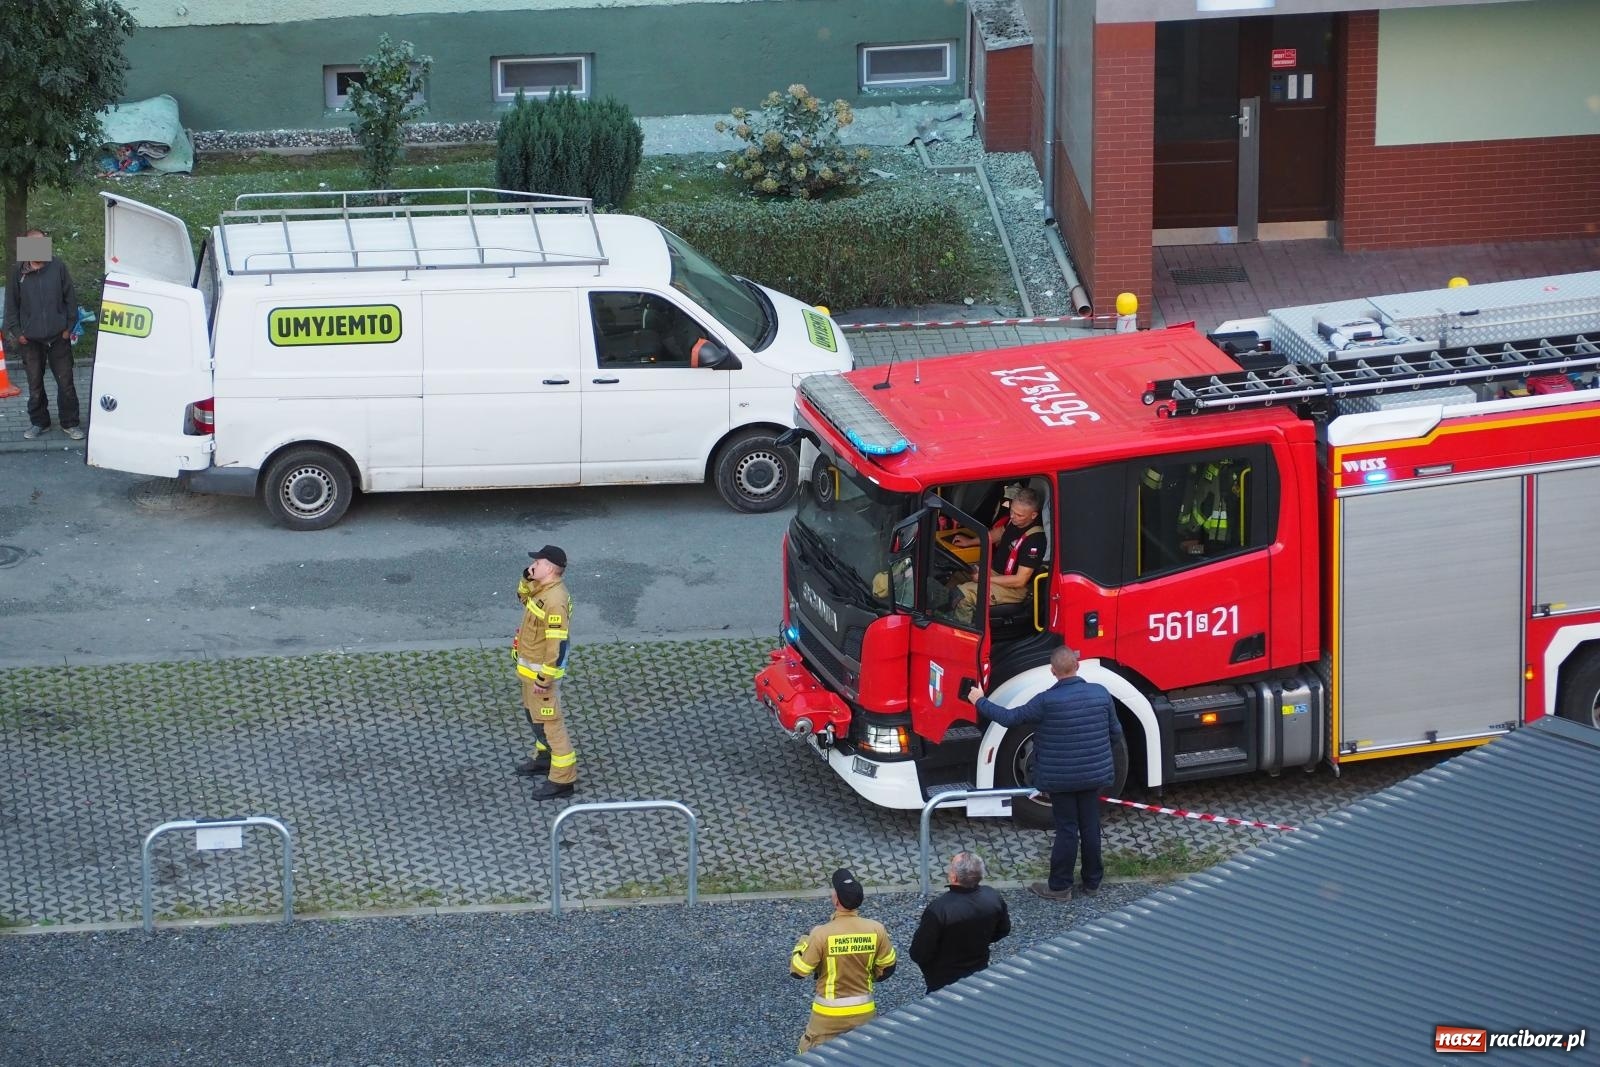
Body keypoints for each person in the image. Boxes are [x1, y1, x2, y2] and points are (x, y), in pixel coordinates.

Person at [965, 646, 1120, 902]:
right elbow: (1115, 733)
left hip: (1060, 781)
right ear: (1077, 666)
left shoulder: (1045, 701)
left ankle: (1060, 887)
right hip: (1094, 776)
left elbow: (1009, 718)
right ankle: (1092, 882)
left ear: (1053, 671)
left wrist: (979, 700)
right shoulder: (1101, 694)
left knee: (1067, 830)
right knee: (1091, 827)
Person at [789, 868, 897, 1053]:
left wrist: (804, 941)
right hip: (864, 1011)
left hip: (827, 1014)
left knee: (809, 1053)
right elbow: (888, 968)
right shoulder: (876, 929)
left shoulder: (821, 934)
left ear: (836, 900)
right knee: (863, 1055)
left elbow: (799, 971)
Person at [5, 229, 82, 441]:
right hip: (30, 341)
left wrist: (68, 327)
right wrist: (18, 333)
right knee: (35, 385)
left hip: (59, 337)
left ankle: (70, 423)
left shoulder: (58, 267)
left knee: (66, 383)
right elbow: (11, 306)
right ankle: (40, 422)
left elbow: (71, 299)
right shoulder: (18, 272)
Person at [513, 545, 576, 800]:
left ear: (549, 568)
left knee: (551, 725)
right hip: (531, 673)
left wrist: (545, 678)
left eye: (537, 562)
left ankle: (563, 780)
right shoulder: (543, 590)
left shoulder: (555, 600)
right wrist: (526, 577)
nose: (533, 565)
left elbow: (557, 645)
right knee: (534, 717)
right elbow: (523, 597)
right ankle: (544, 757)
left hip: (541, 677)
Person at [909, 850, 1011, 993]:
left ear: (954, 877)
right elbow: (1003, 929)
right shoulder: (992, 897)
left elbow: (919, 952)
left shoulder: (939, 909)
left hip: (943, 980)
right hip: (979, 971)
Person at [952, 487, 1046, 622]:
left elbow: (1020, 580)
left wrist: (984, 578)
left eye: (1019, 515)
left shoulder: (1035, 539)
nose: (1013, 516)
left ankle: (965, 635)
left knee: (963, 596)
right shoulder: (1014, 521)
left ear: (1033, 515)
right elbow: (998, 533)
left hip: (1014, 588)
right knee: (954, 573)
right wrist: (970, 542)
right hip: (995, 573)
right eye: (1012, 511)